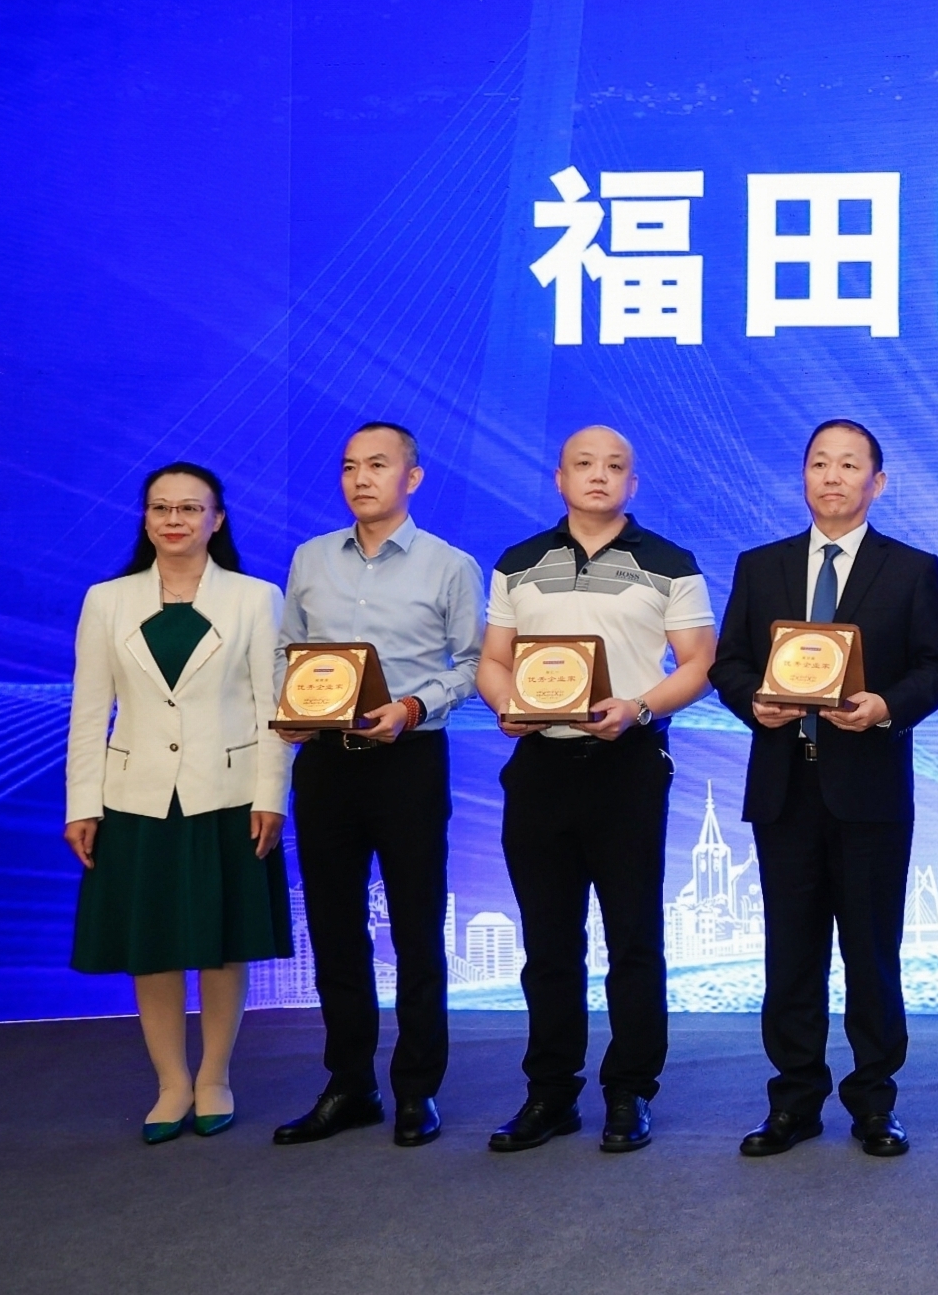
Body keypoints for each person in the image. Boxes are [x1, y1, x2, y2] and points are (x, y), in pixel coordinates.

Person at [708, 419, 938, 1160]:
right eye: (820, 463)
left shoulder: (911, 569)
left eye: (850, 465)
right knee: (791, 954)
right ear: (804, 477)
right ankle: (793, 1101)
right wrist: (753, 700)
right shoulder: (762, 566)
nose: (833, 477)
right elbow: (728, 663)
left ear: (877, 482)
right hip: (785, 787)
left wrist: (885, 706)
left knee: (872, 954)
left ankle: (875, 1102)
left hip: (870, 789)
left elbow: (934, 670)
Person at [476, 426, 717, 1154]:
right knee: (548, 942)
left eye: (615, 467)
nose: (599, 476)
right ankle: (550, 1093)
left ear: (632, 484)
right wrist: (506, 704)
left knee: (633, 939)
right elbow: (493, 659)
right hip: (539, 766)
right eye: (584, 464)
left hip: (627, 764)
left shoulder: (669, 562)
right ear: (559, 478)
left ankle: (629, 1090)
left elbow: (700, 663)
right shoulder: (518, 563)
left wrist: (639, 707)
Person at [63, 462, 292, 1144]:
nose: (174, 520)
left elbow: (272, 709)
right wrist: (82, 804)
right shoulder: (107, 600)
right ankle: (170, 1083)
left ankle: (215, 1075)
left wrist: (271, 795)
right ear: (145, 518)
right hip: (135, 800)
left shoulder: (255, 598)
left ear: (216, 520)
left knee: (223, 945)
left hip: (227, 795)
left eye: (190, 508)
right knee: (153, 947)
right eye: (160, 507)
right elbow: (88, 712)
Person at [272, 423, 484, 1150]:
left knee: (417, 930)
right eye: (349, 467)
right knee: (333, 929)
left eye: (378, 465)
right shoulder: (310, 558)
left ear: (412, 478)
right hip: (325, 763)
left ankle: (417, 1088)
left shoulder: (449, 565)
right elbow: (287, 650)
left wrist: (414, 707)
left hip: (407, 759)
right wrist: (292, 706)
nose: (360, 479)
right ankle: (350, 1084)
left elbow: (474, 664)